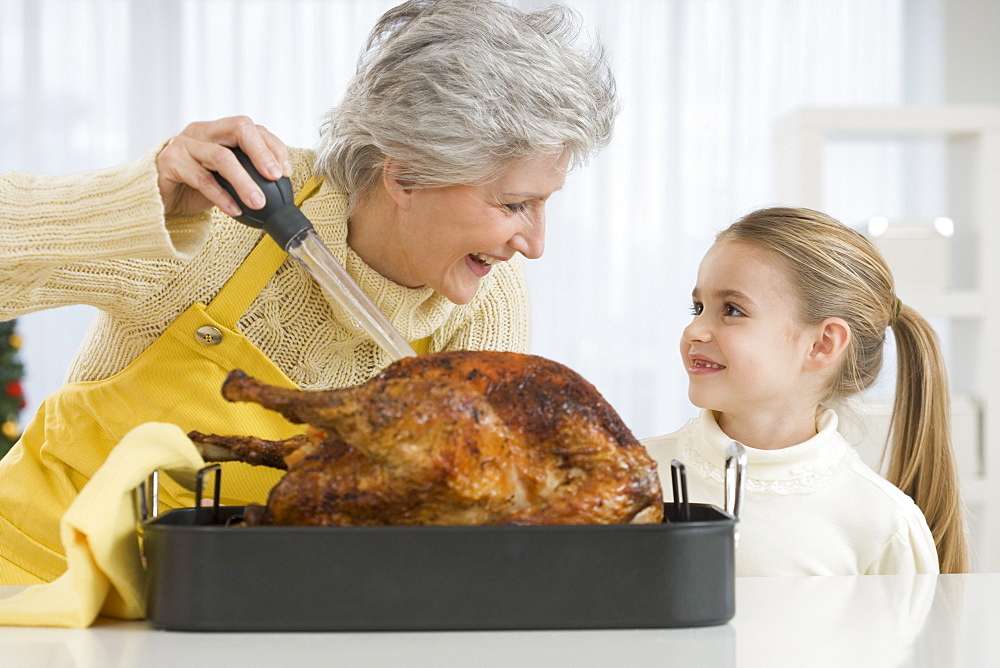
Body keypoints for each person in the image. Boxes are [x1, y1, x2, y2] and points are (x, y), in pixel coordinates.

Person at [0, 0, 618, 584]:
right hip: (32, 581)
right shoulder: (225, 214)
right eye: (513, 204)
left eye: (542, 205)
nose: (534, 245)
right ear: (404, 174)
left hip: (233, 609)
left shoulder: (487, 294)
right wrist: (141, 200)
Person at [643, 207, 969, 575]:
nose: (694, 331)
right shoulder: (629, 478)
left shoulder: (882, 527)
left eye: (732, 310)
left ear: (822, 345)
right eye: (698, 307)